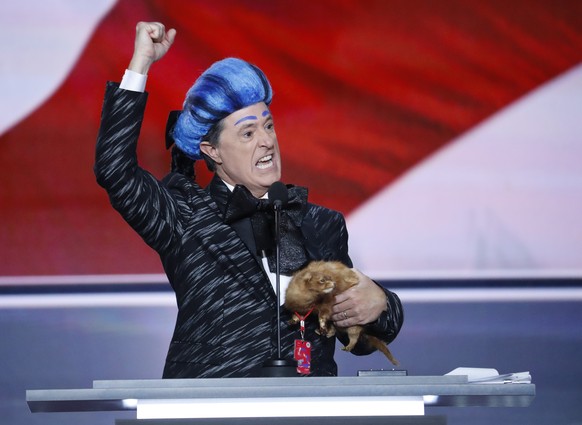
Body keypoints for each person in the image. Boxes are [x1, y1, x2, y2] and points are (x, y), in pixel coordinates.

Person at [95, 21, 403, 378]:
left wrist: (379, 304)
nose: (266, 141)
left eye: (268, 126)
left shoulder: (321, 224)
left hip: (308, 410)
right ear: (212, 150)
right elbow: (114, 169)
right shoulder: (182, 216)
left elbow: (359, 337)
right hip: (211, 410)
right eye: (248, 133)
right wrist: (140, 64)